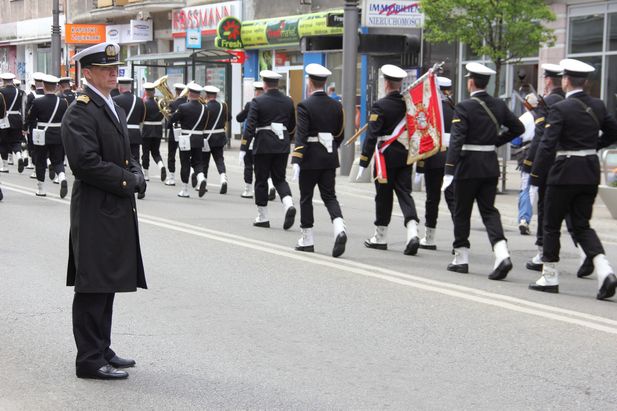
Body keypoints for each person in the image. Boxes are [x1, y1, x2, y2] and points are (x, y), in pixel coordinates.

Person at [61, 42, 147, 380]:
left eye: (116, 67)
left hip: (114, 206)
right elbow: (86, 164)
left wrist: (137, 173)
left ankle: (102, 348)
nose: (114, 72)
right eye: (106, 68)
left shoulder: (112, 106)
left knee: (107, 282)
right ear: (88, 73)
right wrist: (129, 181)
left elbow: (126, 152)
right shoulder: (80, 110)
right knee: (93, 285)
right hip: (96, 208)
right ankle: (89, 359)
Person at [528, 58, 617, 299]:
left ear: (566, 81)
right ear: (586, 82)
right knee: (581, 224)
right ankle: (604, 269)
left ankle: (550, 276)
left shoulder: (560, 108)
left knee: (551, 224)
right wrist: (592, 145)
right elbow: (613, 131)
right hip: (589, 169)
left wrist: (535, 177)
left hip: (564, 170)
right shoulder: (598, 105)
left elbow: (547, 145)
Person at [442, 62, 524, 279]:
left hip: (468, 166)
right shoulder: (498, 104)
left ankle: (461, 258)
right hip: (489, 165)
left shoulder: (464, 106)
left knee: (462, 211)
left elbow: (457, 140)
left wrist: (449, 170)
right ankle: (502, 253)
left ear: (470, 82)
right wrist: (495, 142)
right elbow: (518, 128)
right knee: (489, 211)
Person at [522, 63, 594, 278]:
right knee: (574, 214)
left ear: (548, 80)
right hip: (576, 166)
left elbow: (541, 137)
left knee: (547, 211)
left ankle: (543, 253)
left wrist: (530, 165)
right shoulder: (573, 102)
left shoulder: (550, 102)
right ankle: (585, 252)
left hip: (552, 165)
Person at [358, 64, 420, 256]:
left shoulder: (380, 106)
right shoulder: (409, 104)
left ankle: (381, 236)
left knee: (384, 196)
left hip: (386, 157)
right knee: (404, 193)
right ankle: (412, 232)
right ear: (400, 84)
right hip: (405, 155)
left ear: (386, 83)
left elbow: (372, 136)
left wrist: (363, 161)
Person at [291, 64, 346, 257]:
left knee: (306, 198)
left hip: (310, 158)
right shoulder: (336, 105)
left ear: (310, 82)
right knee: (330, 196)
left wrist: (296, 158)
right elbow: (340, 133)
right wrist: (330, 146)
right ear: (324, 83)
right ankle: (339, 228)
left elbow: (302, 134)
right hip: (329, 157)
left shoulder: (305, 105)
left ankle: (307, 239)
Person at [240, 70, 297, 229]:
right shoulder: (288, 101)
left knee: (261, 179)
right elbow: (292, 126)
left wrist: (244, 147)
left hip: (263, 145)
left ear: (264, 84)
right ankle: (288, 204)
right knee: (279, 178)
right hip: (282, 144)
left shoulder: (257, 102)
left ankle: (263, 217)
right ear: (277, 84)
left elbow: (250, 127)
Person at [415, 76, 457, 250]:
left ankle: (429, 238)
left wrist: (420, 166)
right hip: (453, 159)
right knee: (453, 200)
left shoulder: (431, 110)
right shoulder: (456, 109)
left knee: (432, 198)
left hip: (434, 156)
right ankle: (459, 239)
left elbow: (424, 138)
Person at [27, 74, 69, 198]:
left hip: (42, 134)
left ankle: (41, 189)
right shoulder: (63, 102)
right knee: (57, 160)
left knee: (40, 160)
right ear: (56, 87)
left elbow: (31, 118)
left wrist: (26, 128)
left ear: (44, 86)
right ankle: (61, 178)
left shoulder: (38, 101)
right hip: (57, 134)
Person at [168, 82, 208, 198]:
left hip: (186, 138)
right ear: (199, 94)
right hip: (198, 138)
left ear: (189, 93)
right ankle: (201, 178)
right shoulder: (204, 108)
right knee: (198, 162)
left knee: (185, 163)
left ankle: (185, 190)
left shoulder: (183, 107)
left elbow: (172, 120)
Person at [514, 93, 539, 236]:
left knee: (526, 187)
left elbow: (515, 140)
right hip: (543, 154)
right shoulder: (546, 115)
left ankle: (524, 218)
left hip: (527, 154)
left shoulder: (523, 118)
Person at [202, 85, 231, 194]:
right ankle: (223, 178)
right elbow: (229, 118)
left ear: (207, 95)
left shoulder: (205, 107)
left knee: (205, 161)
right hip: (219, 137)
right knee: (219, 159)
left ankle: (203, 182)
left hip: (207, 138)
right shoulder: (223, 106)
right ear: (216, 95)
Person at [113, 77, 145, 164]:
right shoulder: (139, 100)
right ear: (130, 87)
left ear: (119, 87)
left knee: (121, 159)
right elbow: (142, 118)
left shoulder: (115, 100)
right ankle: (137, 176)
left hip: (121, 134)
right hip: (135, 134)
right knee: (135, 160)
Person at [141, 82, 167, 183]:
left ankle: (146, 175)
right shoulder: (160, 103)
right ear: (154, 91)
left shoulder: (144, 103)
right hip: (158, 129)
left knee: (146, 152)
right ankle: (161, 166)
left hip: (147, 129)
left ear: (146, 92)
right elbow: (164, 115)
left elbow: (141, 116)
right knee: (156, 151)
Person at [0, 72, 25, 174]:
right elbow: (23, 108)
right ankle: (19, 156)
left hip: (3, 119)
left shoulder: (0, 91)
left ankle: (5, 166)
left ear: (3, 81)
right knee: (16, 141)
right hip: (17, 118)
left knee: (3, 142)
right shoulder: (20, 92)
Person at [164, 83, 187, 186]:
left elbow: (169, 119)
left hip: (174, 131)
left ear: (177, 91)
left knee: (171, 154)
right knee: (185, 155)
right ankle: (189, 175)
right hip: (185, 132)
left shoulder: (173, 104)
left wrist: (168, 126)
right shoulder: (188, 103)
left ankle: (172, 177)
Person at [23, 72, 45, 175]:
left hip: (34, 125)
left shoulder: (32, 95)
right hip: (46, 125)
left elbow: (28, 113)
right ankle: (48, 163)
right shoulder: (47, 95)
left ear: (35, 83)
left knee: (34, 147)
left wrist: (25, 126)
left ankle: (36, 169)